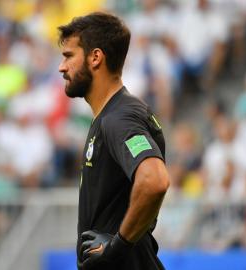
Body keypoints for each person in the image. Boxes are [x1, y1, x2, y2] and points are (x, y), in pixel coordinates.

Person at [58, 12, 170, 270]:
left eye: (68, 56)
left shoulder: (118, 118)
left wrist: (117, 245)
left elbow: (154, 180)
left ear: (95, 57)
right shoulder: (111, 116)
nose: (62, 67)